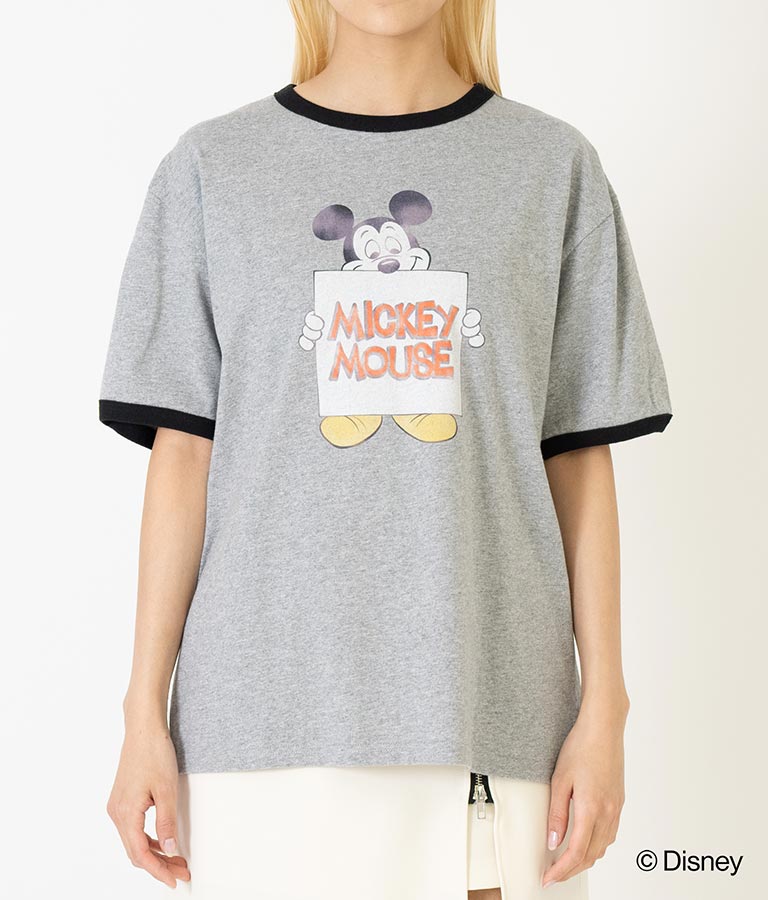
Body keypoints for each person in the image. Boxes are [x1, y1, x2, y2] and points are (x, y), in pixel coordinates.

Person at [100, 1, 672, 898]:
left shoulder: (552, 167)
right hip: (257, 724)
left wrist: (607, 707)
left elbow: (577, 456)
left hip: (487, 711)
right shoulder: (213, 167)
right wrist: (142, 712)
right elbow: (184, 456)